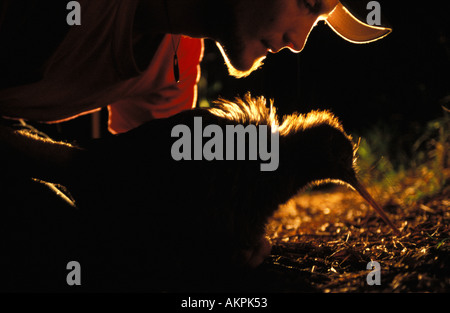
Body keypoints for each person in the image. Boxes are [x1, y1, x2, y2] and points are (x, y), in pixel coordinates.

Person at [0, 0, 391, 134]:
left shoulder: (178, 65)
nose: (299, 42)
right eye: (307, 4)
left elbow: (150, 185)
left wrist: (216, 229)